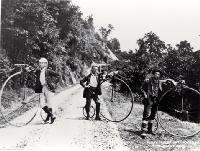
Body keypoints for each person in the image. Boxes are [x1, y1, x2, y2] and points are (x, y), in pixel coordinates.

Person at [140, 69, 176, 138]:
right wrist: (144, 95)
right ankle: (143, 131)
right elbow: (141, 89)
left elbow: (168, 80)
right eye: (156, 74)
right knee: (146, 114)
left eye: (158, 74)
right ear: (153, 74)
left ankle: (149, 130)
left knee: (153, 115)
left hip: (156, 100)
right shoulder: (147, 81)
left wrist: (173, 82)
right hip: (149, 99)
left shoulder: (160, 82)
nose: (157, 75)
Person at [27, 57, 60, 124]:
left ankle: (49, 118)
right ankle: (51, 116)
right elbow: (32, 71)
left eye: (42, 63)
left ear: (45, 64)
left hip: (49, 88)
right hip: (42, 88)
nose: (40, 64)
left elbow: (58, 75)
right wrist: (28, 69)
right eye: (40, 63)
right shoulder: (39, 71)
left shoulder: (48, 71)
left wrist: (54, 83)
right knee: (42, 104)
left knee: (49, 103)